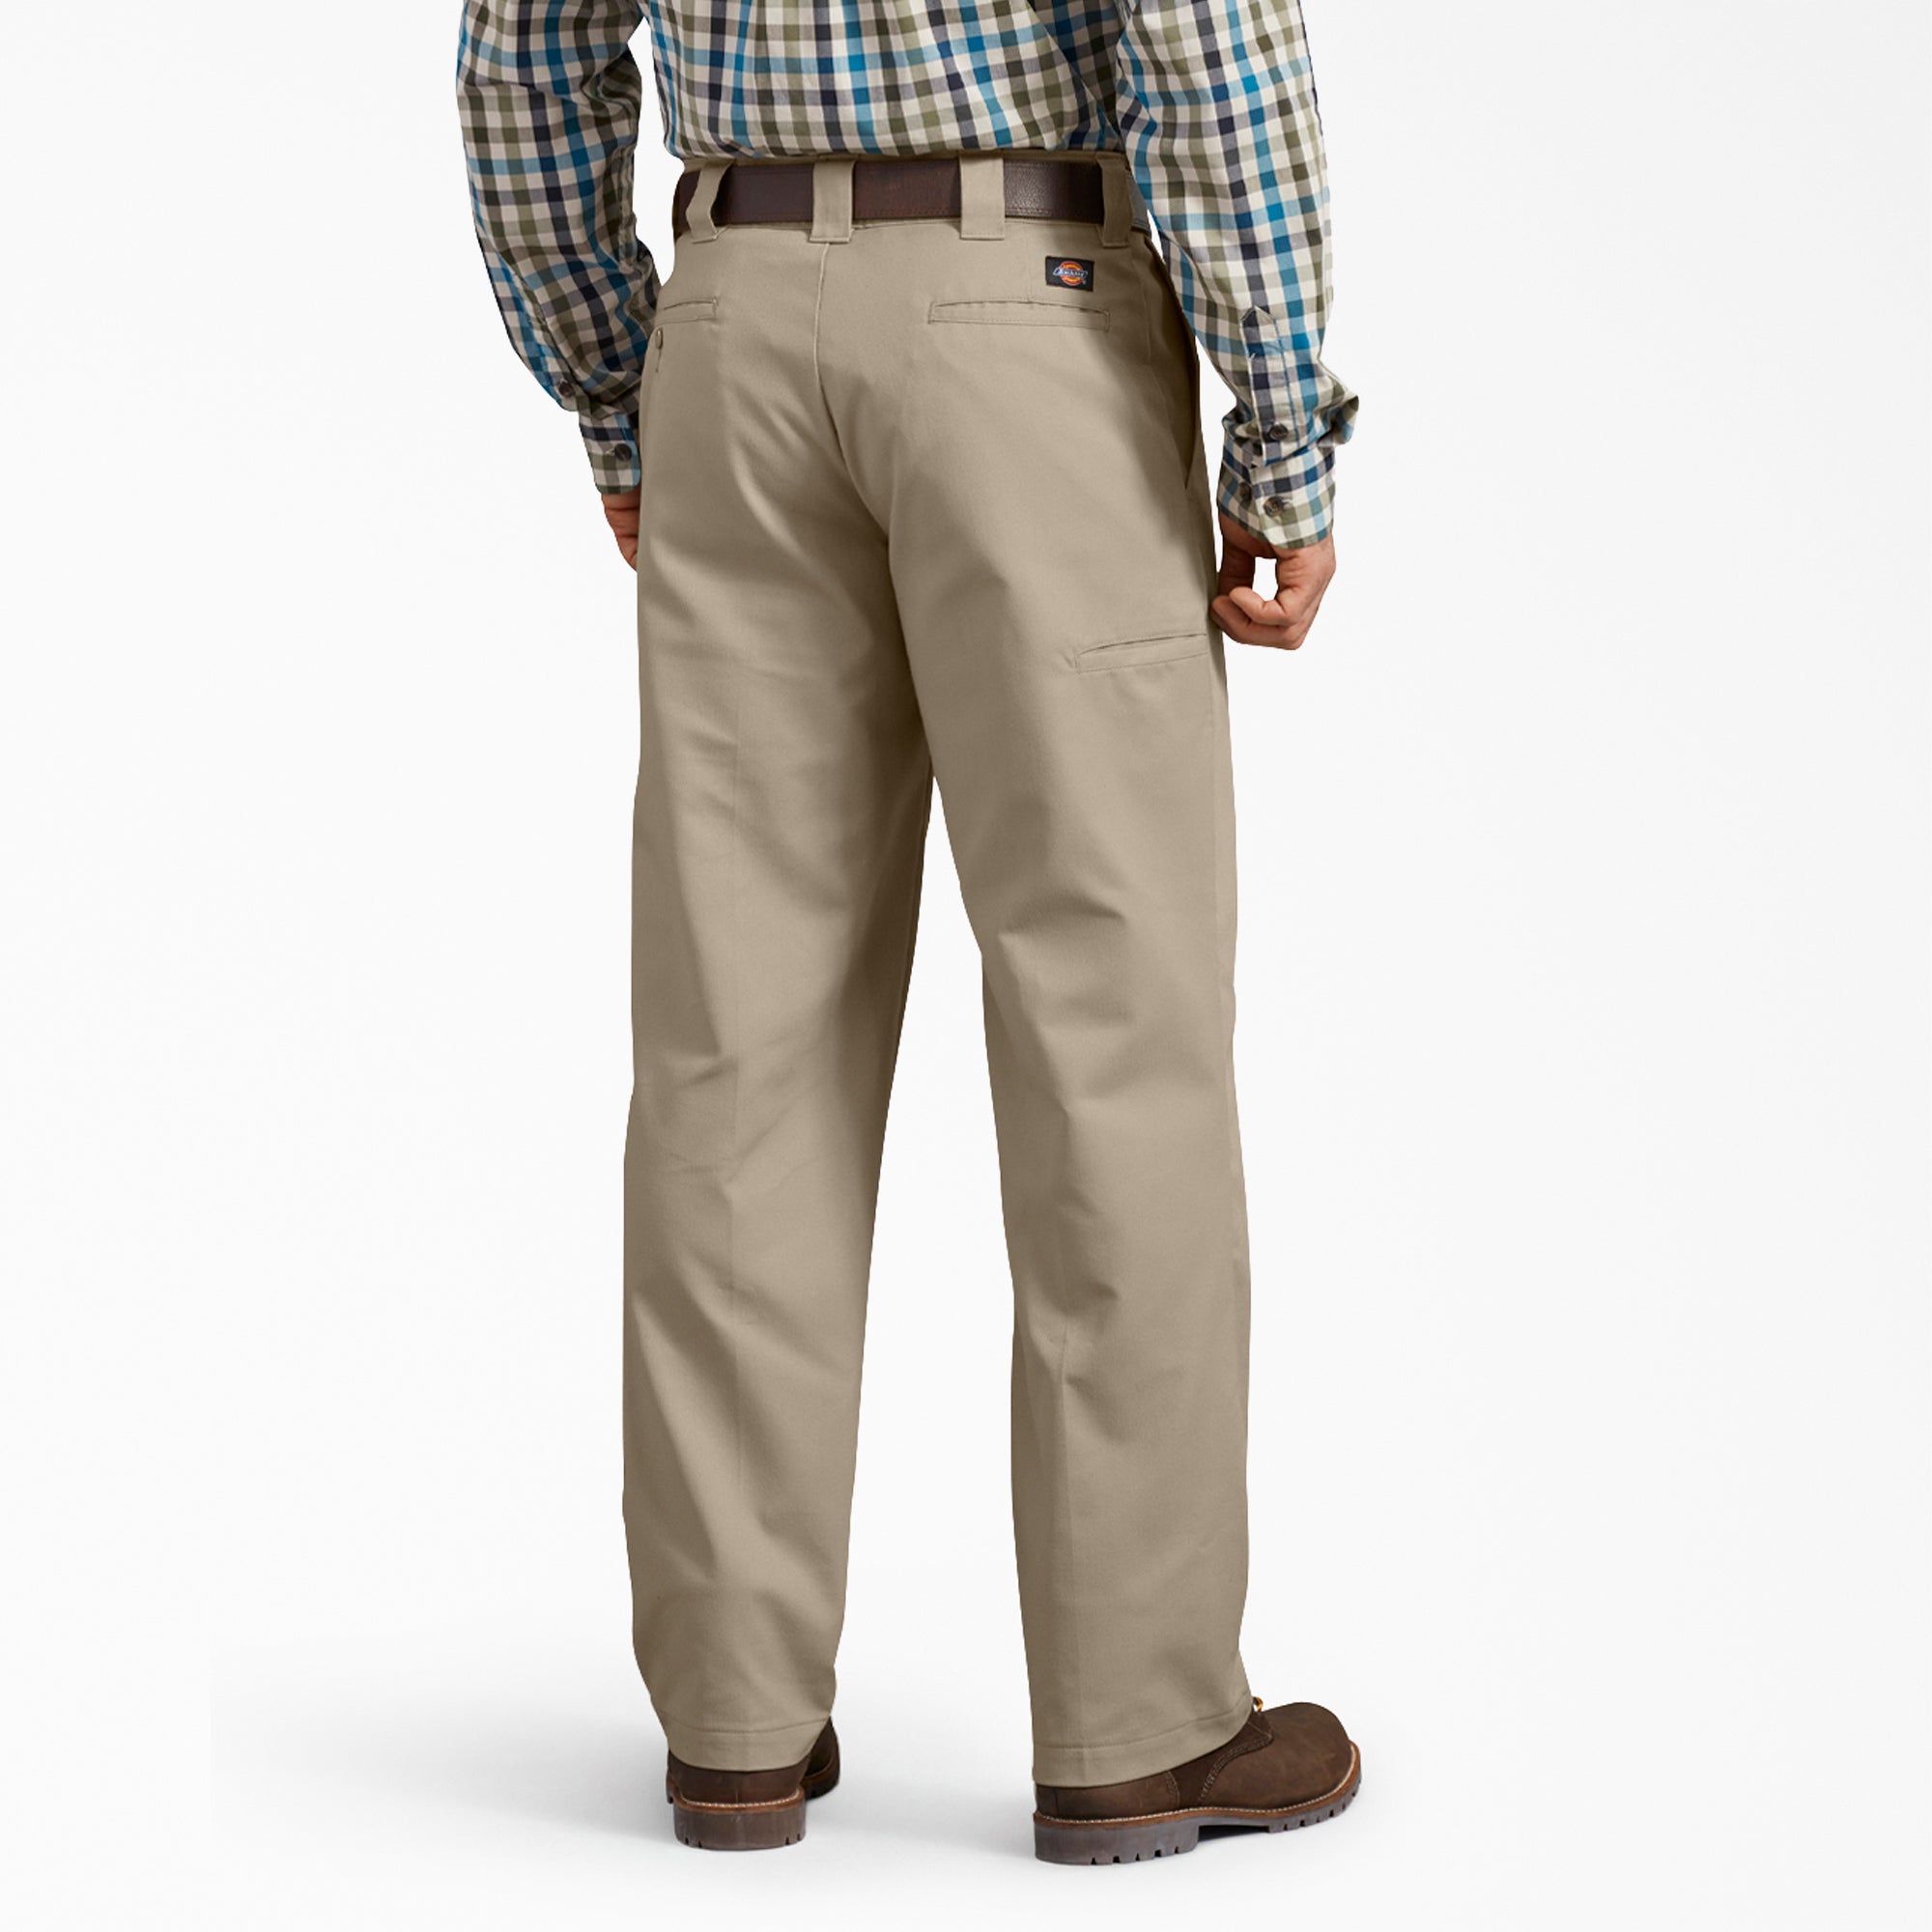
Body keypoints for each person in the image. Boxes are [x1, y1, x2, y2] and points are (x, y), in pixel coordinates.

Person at [457, 0, 1360, 1864]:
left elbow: (524, 49)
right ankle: (1138, 1726)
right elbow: (1209, 39)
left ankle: (733, 1724)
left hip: (733, 327)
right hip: (1032, 320)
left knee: (735, 1043)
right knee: (1113, 1032)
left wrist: (622, 385)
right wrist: (1284, 432)